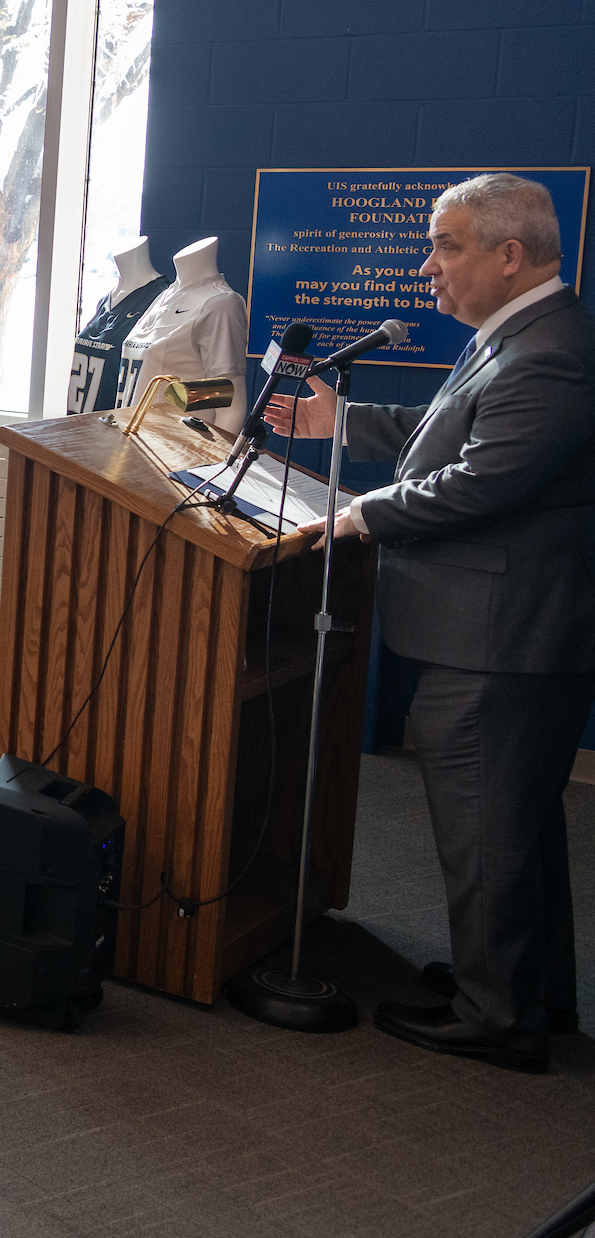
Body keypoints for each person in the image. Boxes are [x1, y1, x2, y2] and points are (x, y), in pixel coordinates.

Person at [266, 173, 595, 1075]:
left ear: (509, 255)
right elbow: (442, 433)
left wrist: (361, 514)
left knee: (487, 828)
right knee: (515, 828)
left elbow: (483, 480)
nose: (430, 267)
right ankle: (531, 990)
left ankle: (499, 1018)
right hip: (498, 630)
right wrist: (345, 418)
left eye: (447, 247)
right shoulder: (522, 335)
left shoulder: (550, 351)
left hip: (500, 639)